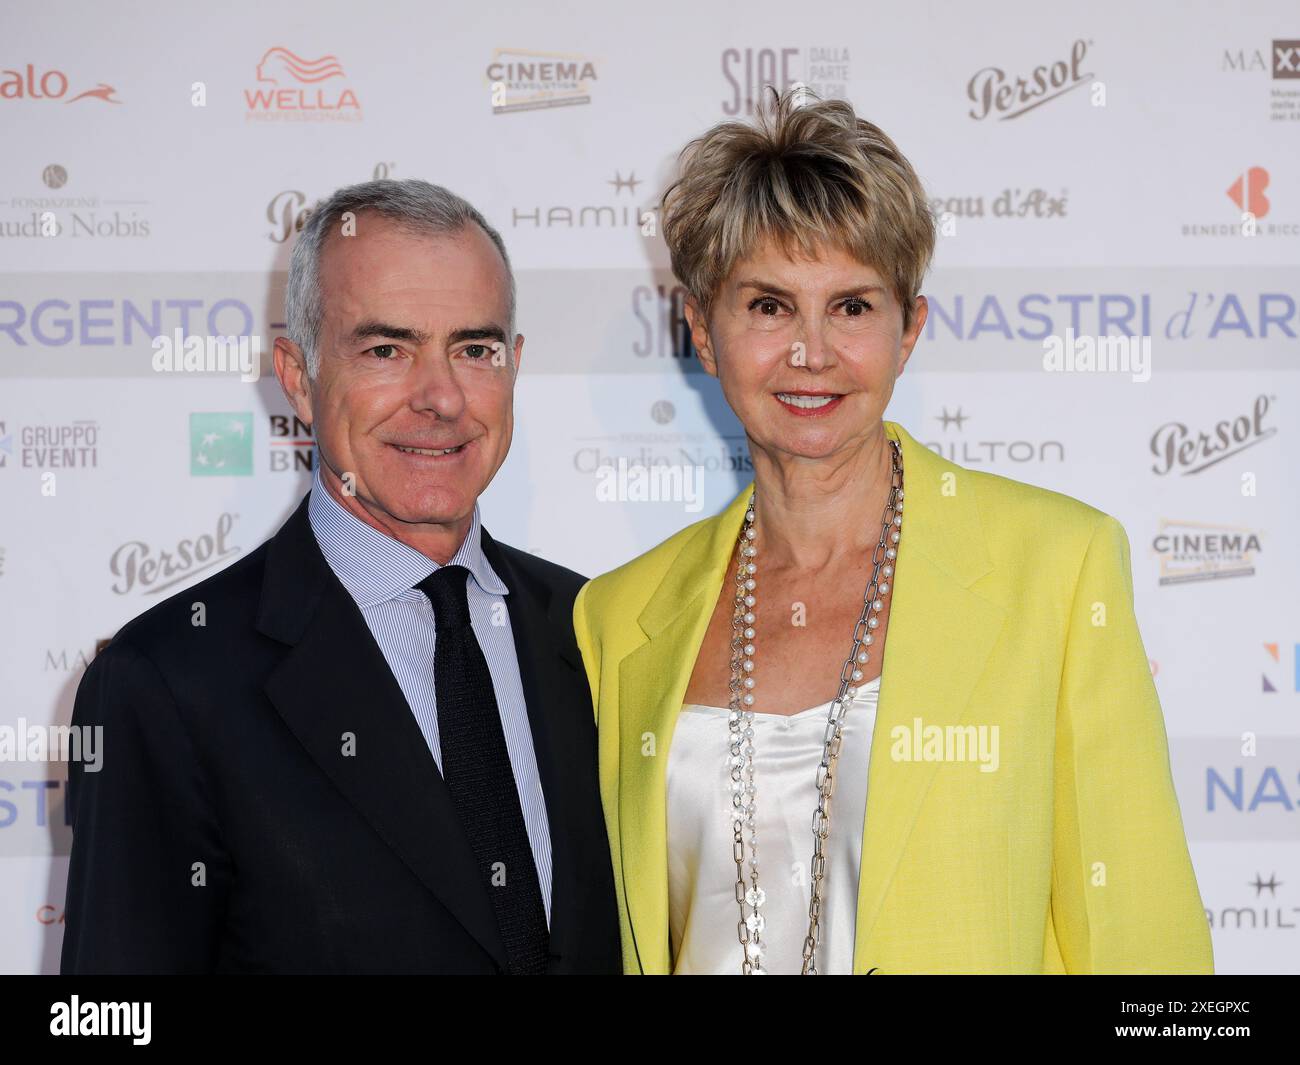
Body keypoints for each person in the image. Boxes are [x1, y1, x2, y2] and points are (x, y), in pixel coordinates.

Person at [573, 89, 1213, 975]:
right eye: (767, 305)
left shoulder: (1054, 569)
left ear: (909, 329)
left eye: (852, 306)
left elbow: (1149, 952)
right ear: (701, 330)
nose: (811, 352)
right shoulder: (616, 617)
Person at [61, 179, 620, 975]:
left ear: (514, 366)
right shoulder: (167, 683)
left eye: (474, 349)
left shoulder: (598, 630)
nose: (441, 397)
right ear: (298, 375)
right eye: (386, 349)